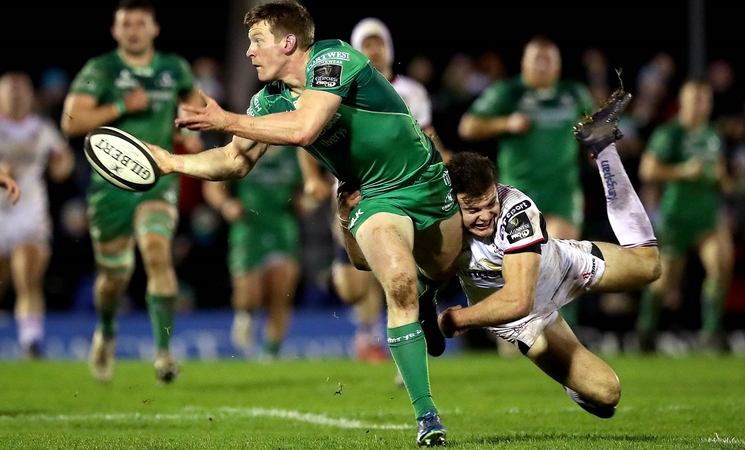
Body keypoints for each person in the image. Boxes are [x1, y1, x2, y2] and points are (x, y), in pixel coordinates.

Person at [146, 1, 462, 446]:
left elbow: (306, 128)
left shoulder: (333, 58)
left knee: (445, 266)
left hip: (426, 181)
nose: (251, 52)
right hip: (371, 195)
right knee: (400, 284)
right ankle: (427, 416)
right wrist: (171, 162)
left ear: (288, 41)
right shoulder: (267, 99)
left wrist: (225, 119)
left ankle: (431, 293)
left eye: (258, 41)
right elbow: (234, 161)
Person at [437, 89, 660, 418]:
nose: (485, 215)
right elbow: (520, 310)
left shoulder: (516, 210)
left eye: (490, 203)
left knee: (650, 267)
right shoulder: (439, 221)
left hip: (558, 267)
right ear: (453, 203)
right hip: (527, 322)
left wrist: (456, 319)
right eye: (473, 209)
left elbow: (517, 298)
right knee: (607, 392)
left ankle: (602, 147)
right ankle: (574, 378)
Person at [60, 0, 204, 383]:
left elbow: (197, 108)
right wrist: (122, 104)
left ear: (155, 28)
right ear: (115, 31)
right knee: (113, 279)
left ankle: (163, 354)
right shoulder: (102, 69)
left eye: (141, 23)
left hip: (158, 180)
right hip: (110, 189)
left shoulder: (174, 68)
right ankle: (106, 330)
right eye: (126, 24)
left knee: (157, 251)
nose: (134, 30)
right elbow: (71, 122)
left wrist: (189, 129)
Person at [321, 17, 452, 364]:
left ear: (389, 49)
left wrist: (451, 167)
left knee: (396, 270)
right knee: (351, 285)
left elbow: (429, 139)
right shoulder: (337, 89)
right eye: (367, 44)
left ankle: (387, 339)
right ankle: (394, 319)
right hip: (352, 193)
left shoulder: (412, 92)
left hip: (401, 189)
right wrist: (311, 179)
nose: (374, 51)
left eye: (379, 43)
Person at [457, 35, 596, 330]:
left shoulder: (574, 93)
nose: (543, 66)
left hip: (561, 191)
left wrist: (598, 150)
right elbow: (468, 126)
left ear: (559, 65)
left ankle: (566, 339)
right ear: (524, 64)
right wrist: (506, 123)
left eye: (550, 59)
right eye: (537, 59)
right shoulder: (508, 93)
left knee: (567, 260)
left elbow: (593, 133)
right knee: (519, 271)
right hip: (518, 194)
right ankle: (517, 328)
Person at [635, 79, 734, 352]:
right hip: (676, 216)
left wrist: (726, 182)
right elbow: (647, 170)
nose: (700, 106)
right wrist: (683, 171)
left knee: (721, 265)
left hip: (708, 215)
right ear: (683, 103)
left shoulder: (712, 134)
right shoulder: (670, 133)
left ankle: (712, 332)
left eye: (705, 100)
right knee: (665, 282)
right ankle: (646, 330)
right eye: (694, 100)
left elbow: (719, 171)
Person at [201, 145, 304, 359]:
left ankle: (271, 355)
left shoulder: (296, 151)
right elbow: (211, 185)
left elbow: (310, 186)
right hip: (248, 228)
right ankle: (244, 315)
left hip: (282, 227)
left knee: (281, 294)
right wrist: (226, 204)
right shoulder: (244, 147)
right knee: (249, 296)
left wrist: (306, 200)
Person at [0, 70, 75, 359]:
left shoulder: (41, 129)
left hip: (29, 209)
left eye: (21, 90)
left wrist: (62, 166)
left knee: (27, 275)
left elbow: (62, 160)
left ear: (31, 95)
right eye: (10, 90)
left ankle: (31, 342)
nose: (16, 95)